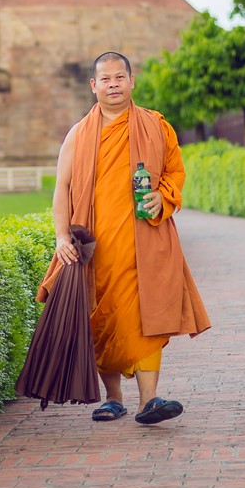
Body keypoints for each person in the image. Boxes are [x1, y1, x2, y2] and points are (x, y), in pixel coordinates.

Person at [39, 51, 211, 424]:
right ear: (94, 86)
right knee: (102, 318)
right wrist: (60, 236)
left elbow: (174, 174)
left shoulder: (156, 125)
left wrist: (161, 195)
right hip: (96, 245)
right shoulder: (79, 134)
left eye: (120, 77)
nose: (114, 84)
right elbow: (62, 189)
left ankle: (149, 401)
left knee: (148, 315)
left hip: (147, 241)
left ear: (132, 81)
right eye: (106, 79)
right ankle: (112, 398)